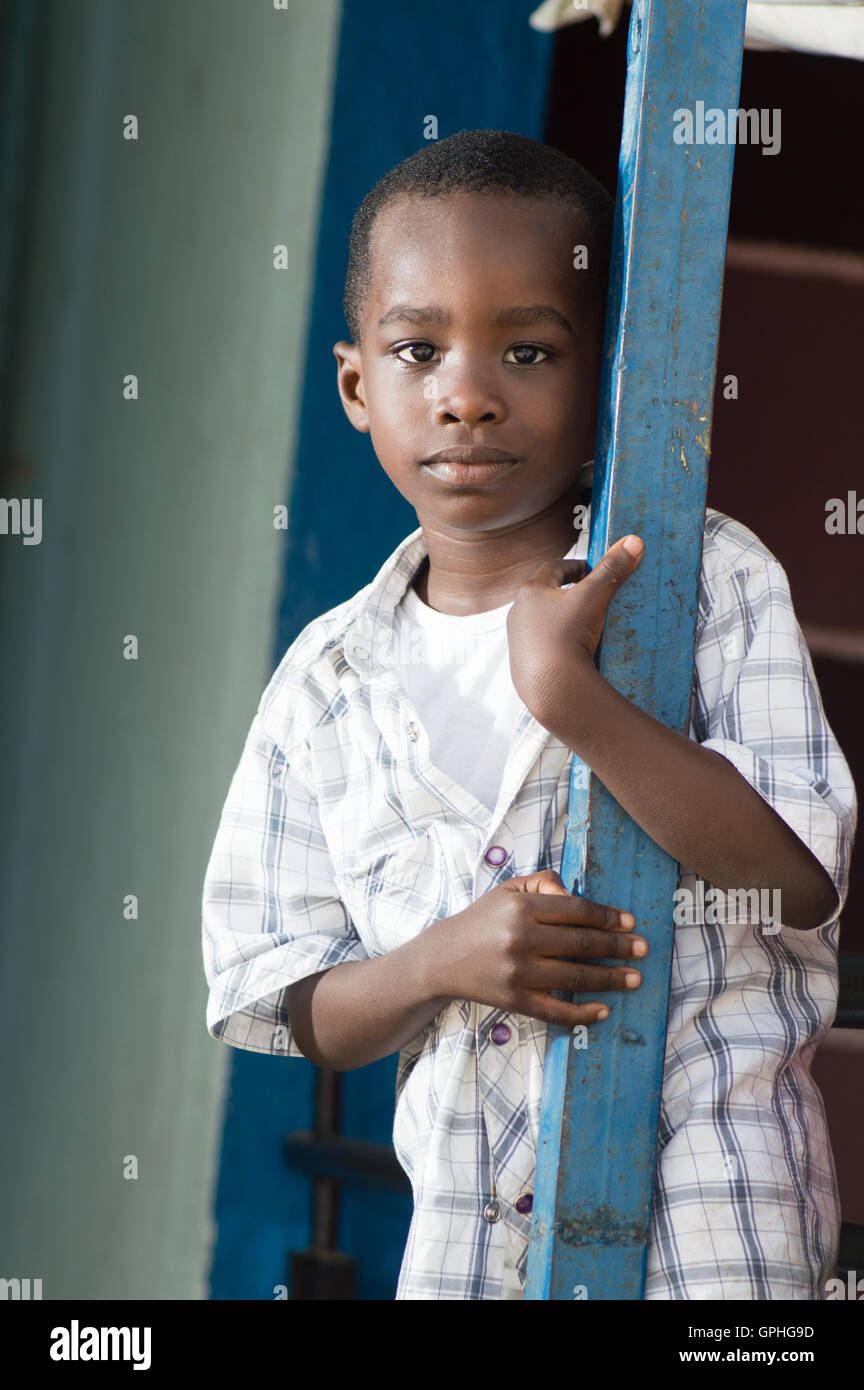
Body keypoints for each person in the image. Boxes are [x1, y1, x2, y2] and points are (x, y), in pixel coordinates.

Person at [201, 129, 857, 1300]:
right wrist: (435, 962)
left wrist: (573, 698)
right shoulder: (325, 684)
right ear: (358, 385)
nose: (466, 395)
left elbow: (801, 876)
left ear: (604, 371)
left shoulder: (707, 583)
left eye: (527, 348)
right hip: (466, 1260)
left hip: (713, 1245)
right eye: (419, 349)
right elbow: (288, 995)